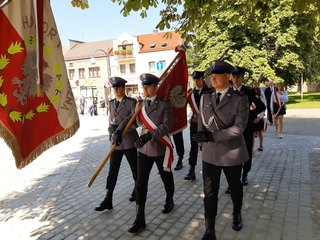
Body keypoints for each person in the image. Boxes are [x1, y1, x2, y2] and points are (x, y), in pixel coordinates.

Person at [192, 60, 249, 239]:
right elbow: (202, 124)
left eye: (217, 74)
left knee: (235, 187)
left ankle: (237, 213)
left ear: (228, 77)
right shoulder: (205, 97)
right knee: (209, 192)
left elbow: (239, 129)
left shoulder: (240, 99)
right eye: (212, 75)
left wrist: (213, 136)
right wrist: (202, 143)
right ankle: (210, 228)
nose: (213, 78)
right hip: (210, 154)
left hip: (231, 153)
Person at [115, 73, 175, 233]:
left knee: (166, 176)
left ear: (156, 87)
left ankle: (170, 198)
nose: (145, 89)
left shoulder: (164, 104)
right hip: (143, 150)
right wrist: (119, 130)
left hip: (160, 148)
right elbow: (130, 119)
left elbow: (167, 125)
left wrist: (150, 135)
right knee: (140, 183)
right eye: (143, 86)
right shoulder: (139, 104)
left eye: (147, 86)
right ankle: (140, 218)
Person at [94, 77, 138, 211]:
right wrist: (111, 136)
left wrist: (121, 131)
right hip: (116, 144)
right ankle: (108, 199)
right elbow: (110, 123)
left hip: (129, 142)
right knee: (112, 172)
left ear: (124, 88)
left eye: (118, 88)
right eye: (114, 88)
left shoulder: (132, 102)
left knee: (135, 170)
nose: (116, 90)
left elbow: (135, 122)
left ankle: (138, 191)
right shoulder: (111, 103)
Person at [229, 67, 266, 187]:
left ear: (242, 78)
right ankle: (233, 180)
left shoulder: (249, 92)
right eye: (233, 77)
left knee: (246, 152)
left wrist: (255, 117)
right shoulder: (227, 92)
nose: (235, 79)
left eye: (238, 77)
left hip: (246, 128)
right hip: (231, 128)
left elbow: (261, 106)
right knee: (233, 153)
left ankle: (245, 173)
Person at [184, 71, 209, 180]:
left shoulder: (209, 92)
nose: (196, 82)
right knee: (193, 146)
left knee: (207, 146)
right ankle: (192, 169)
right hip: (194, 124)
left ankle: (208, 169)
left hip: (206, 124)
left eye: (198, 79)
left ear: (202, 79)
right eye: (194, 80)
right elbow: (181, 105)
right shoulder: (190, 94)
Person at [252, 81, 267, 151]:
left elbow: (263, 108)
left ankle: (261, 145)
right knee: (252, 134)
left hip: (259, 118)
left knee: (259, 132)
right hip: (252, 118)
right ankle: (251, 148)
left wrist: (259, 117)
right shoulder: (251, 100)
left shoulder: (260, 100)